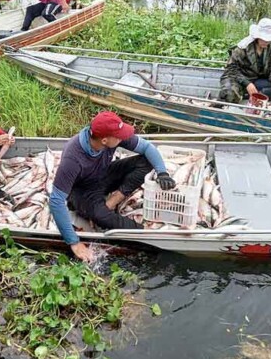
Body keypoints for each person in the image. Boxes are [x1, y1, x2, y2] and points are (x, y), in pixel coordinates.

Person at [49, 111, 176, 262]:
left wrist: (162, 173)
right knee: (101, 216)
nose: (123, 137)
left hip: (103, 173)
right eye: (119, 136)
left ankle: (114, 199)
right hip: (82, 189)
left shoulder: (109, 136)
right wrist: (74, 243)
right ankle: (146, 232)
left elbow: (147, 147)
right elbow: (56, 200)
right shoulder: (73, 158)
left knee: (147, 161)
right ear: (104, 140)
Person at [219, 18, 271, 104]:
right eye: (264, 39)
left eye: (268, 39)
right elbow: (231, 70)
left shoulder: (270, 47)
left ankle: (250, 96)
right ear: (257, 37)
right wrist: (247, 83)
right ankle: (242, 94)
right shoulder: (243, 47)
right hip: (237, 78)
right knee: (229, 94)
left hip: (256, 79)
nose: (267, 42)